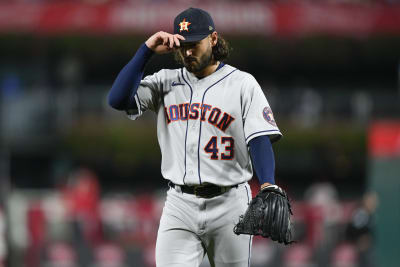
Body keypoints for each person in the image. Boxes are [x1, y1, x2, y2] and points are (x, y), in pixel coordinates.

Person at [108, 7, 282, 267]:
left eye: (195, 44)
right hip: (180, 203)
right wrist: (146, 51)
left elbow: (258, 138)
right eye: (184, 44)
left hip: (230, 202)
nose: (188, 51)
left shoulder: (242, 83)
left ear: (213, 39)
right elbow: (118, 99)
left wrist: (267, 183)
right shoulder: (165, 81)